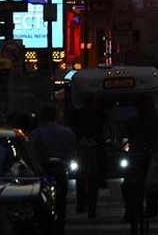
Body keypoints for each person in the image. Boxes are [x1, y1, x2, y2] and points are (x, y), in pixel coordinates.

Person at [28, 103, 77, 234]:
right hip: (60, 169)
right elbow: (72, 152)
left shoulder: (36, 133)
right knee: (61, 203)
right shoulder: (67, 132)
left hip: (43, 170)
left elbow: (32, 152)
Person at [121, 98, 158, 222]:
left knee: (153, 181)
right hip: (135, 156)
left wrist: (155, 149)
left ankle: (152, 206)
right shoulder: (132, 122)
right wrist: (125, 148)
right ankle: (129, 208)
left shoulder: (155, 122)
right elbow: (125, 137)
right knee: (127, 183)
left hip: (149, 155)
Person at [70, 93, 108, 216]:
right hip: (93, 147)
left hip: (84, 147)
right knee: (92, 178)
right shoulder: (98, 114)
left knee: (83, 178)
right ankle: (90, 206)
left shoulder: (79, 114)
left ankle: (82, 205)